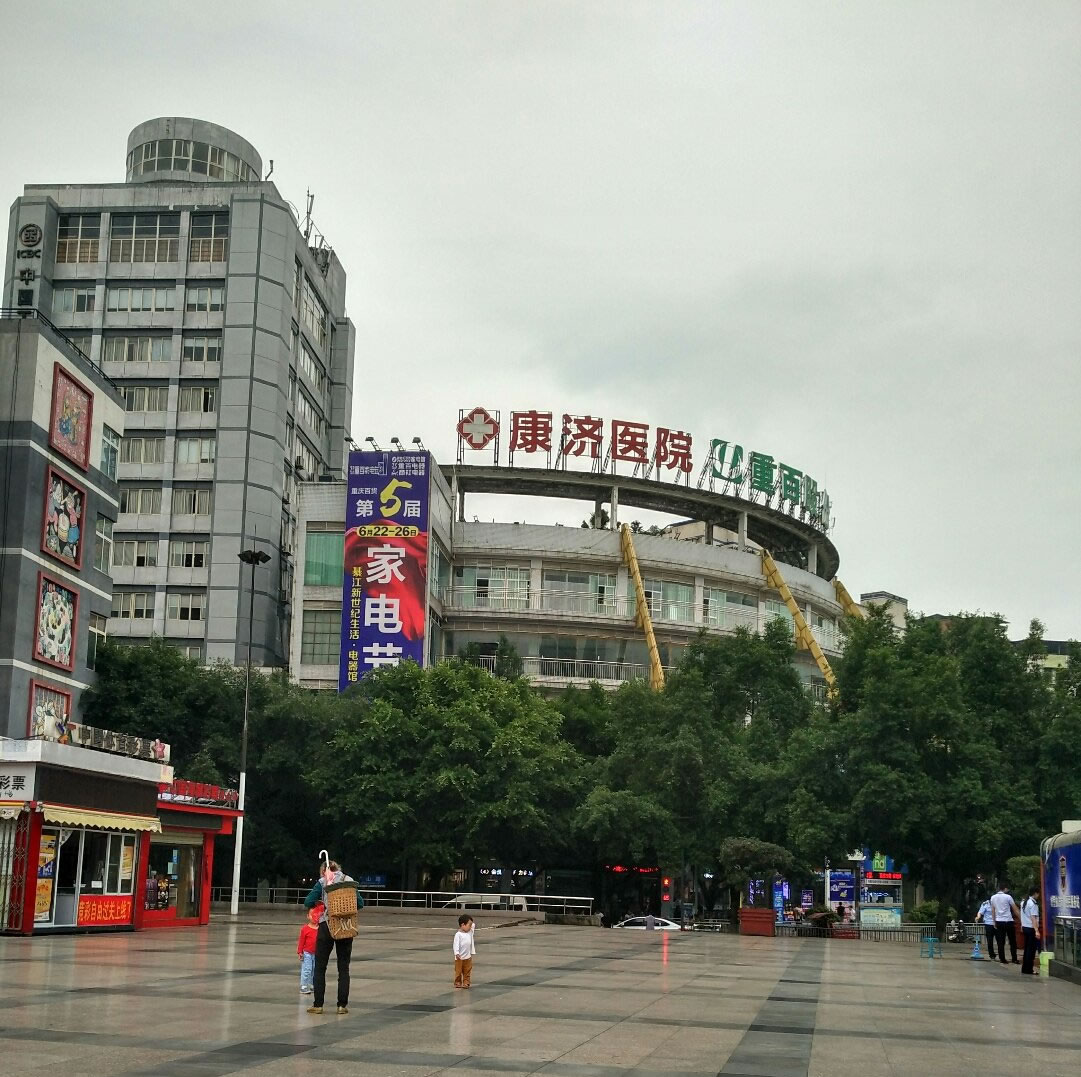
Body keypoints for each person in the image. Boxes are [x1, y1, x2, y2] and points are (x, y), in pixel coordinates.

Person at [304, 860, 356, 1015]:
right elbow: (360, 903)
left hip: (326, 925)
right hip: (345, 926)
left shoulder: (322, 882)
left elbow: (308, 901)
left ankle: (318, 1005)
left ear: (323, 871)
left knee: (320, 967)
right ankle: (342, 1005)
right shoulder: (349, 880)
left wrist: (322, 902)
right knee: (343, 968)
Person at [990, 884, 1020, 966]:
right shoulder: (1008, 897)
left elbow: (993, 910)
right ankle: (1014, 958)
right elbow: (1015, 909)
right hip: (1008, 921)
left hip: (999, 921)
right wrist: (1021, 919)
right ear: (1005, 889)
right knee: (1012, 941)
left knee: (1000, 942)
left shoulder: (993, 897)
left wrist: (994, 922)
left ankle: (1002, 959)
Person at [296, 903, 322, 994]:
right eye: (312, 915)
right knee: (307, 969)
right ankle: (303, 985)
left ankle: (311, 984)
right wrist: (300, 952)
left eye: (316, 915)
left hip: (317, 953)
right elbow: (301, 941)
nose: (314, 917)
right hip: (307, 952)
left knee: (314, 969)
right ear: (308, 916)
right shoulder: (305, 929)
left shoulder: (320, 928)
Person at [1020, 887, 1041, 975]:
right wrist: (1036, 930)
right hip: (1031, 928)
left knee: (1027, 949)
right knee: (1031, 950)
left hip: (1025, 927)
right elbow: (1033, 918)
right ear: (1035, 893)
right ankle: (1029, 969)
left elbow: (1022, 915)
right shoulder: (1033, 904)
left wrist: (1021, 925)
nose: (1038, 895)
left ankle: (1025, 968)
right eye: (1038, 894)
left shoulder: (1024, 902)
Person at [453, 914, 476, 988]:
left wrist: (470, 922)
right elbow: (455, 944)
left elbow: (473, 925)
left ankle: (466, 982)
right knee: (458, 971)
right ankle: (458, 982)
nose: (470, 927)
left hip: (468, 957)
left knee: (467, 971)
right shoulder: (458, 934)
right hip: (459, 957)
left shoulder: (470, 932)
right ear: (462, 925)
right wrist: (456, 953)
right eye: (469, 925)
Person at [975, 895, 997, 960]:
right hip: (988, 923)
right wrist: (978, 917)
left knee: (1000, 939)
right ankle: (991, 954)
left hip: (997, 923)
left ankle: (1001, 953)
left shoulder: (998, 902)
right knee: (989, 940)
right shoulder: (985, 904)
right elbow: (980, 912)